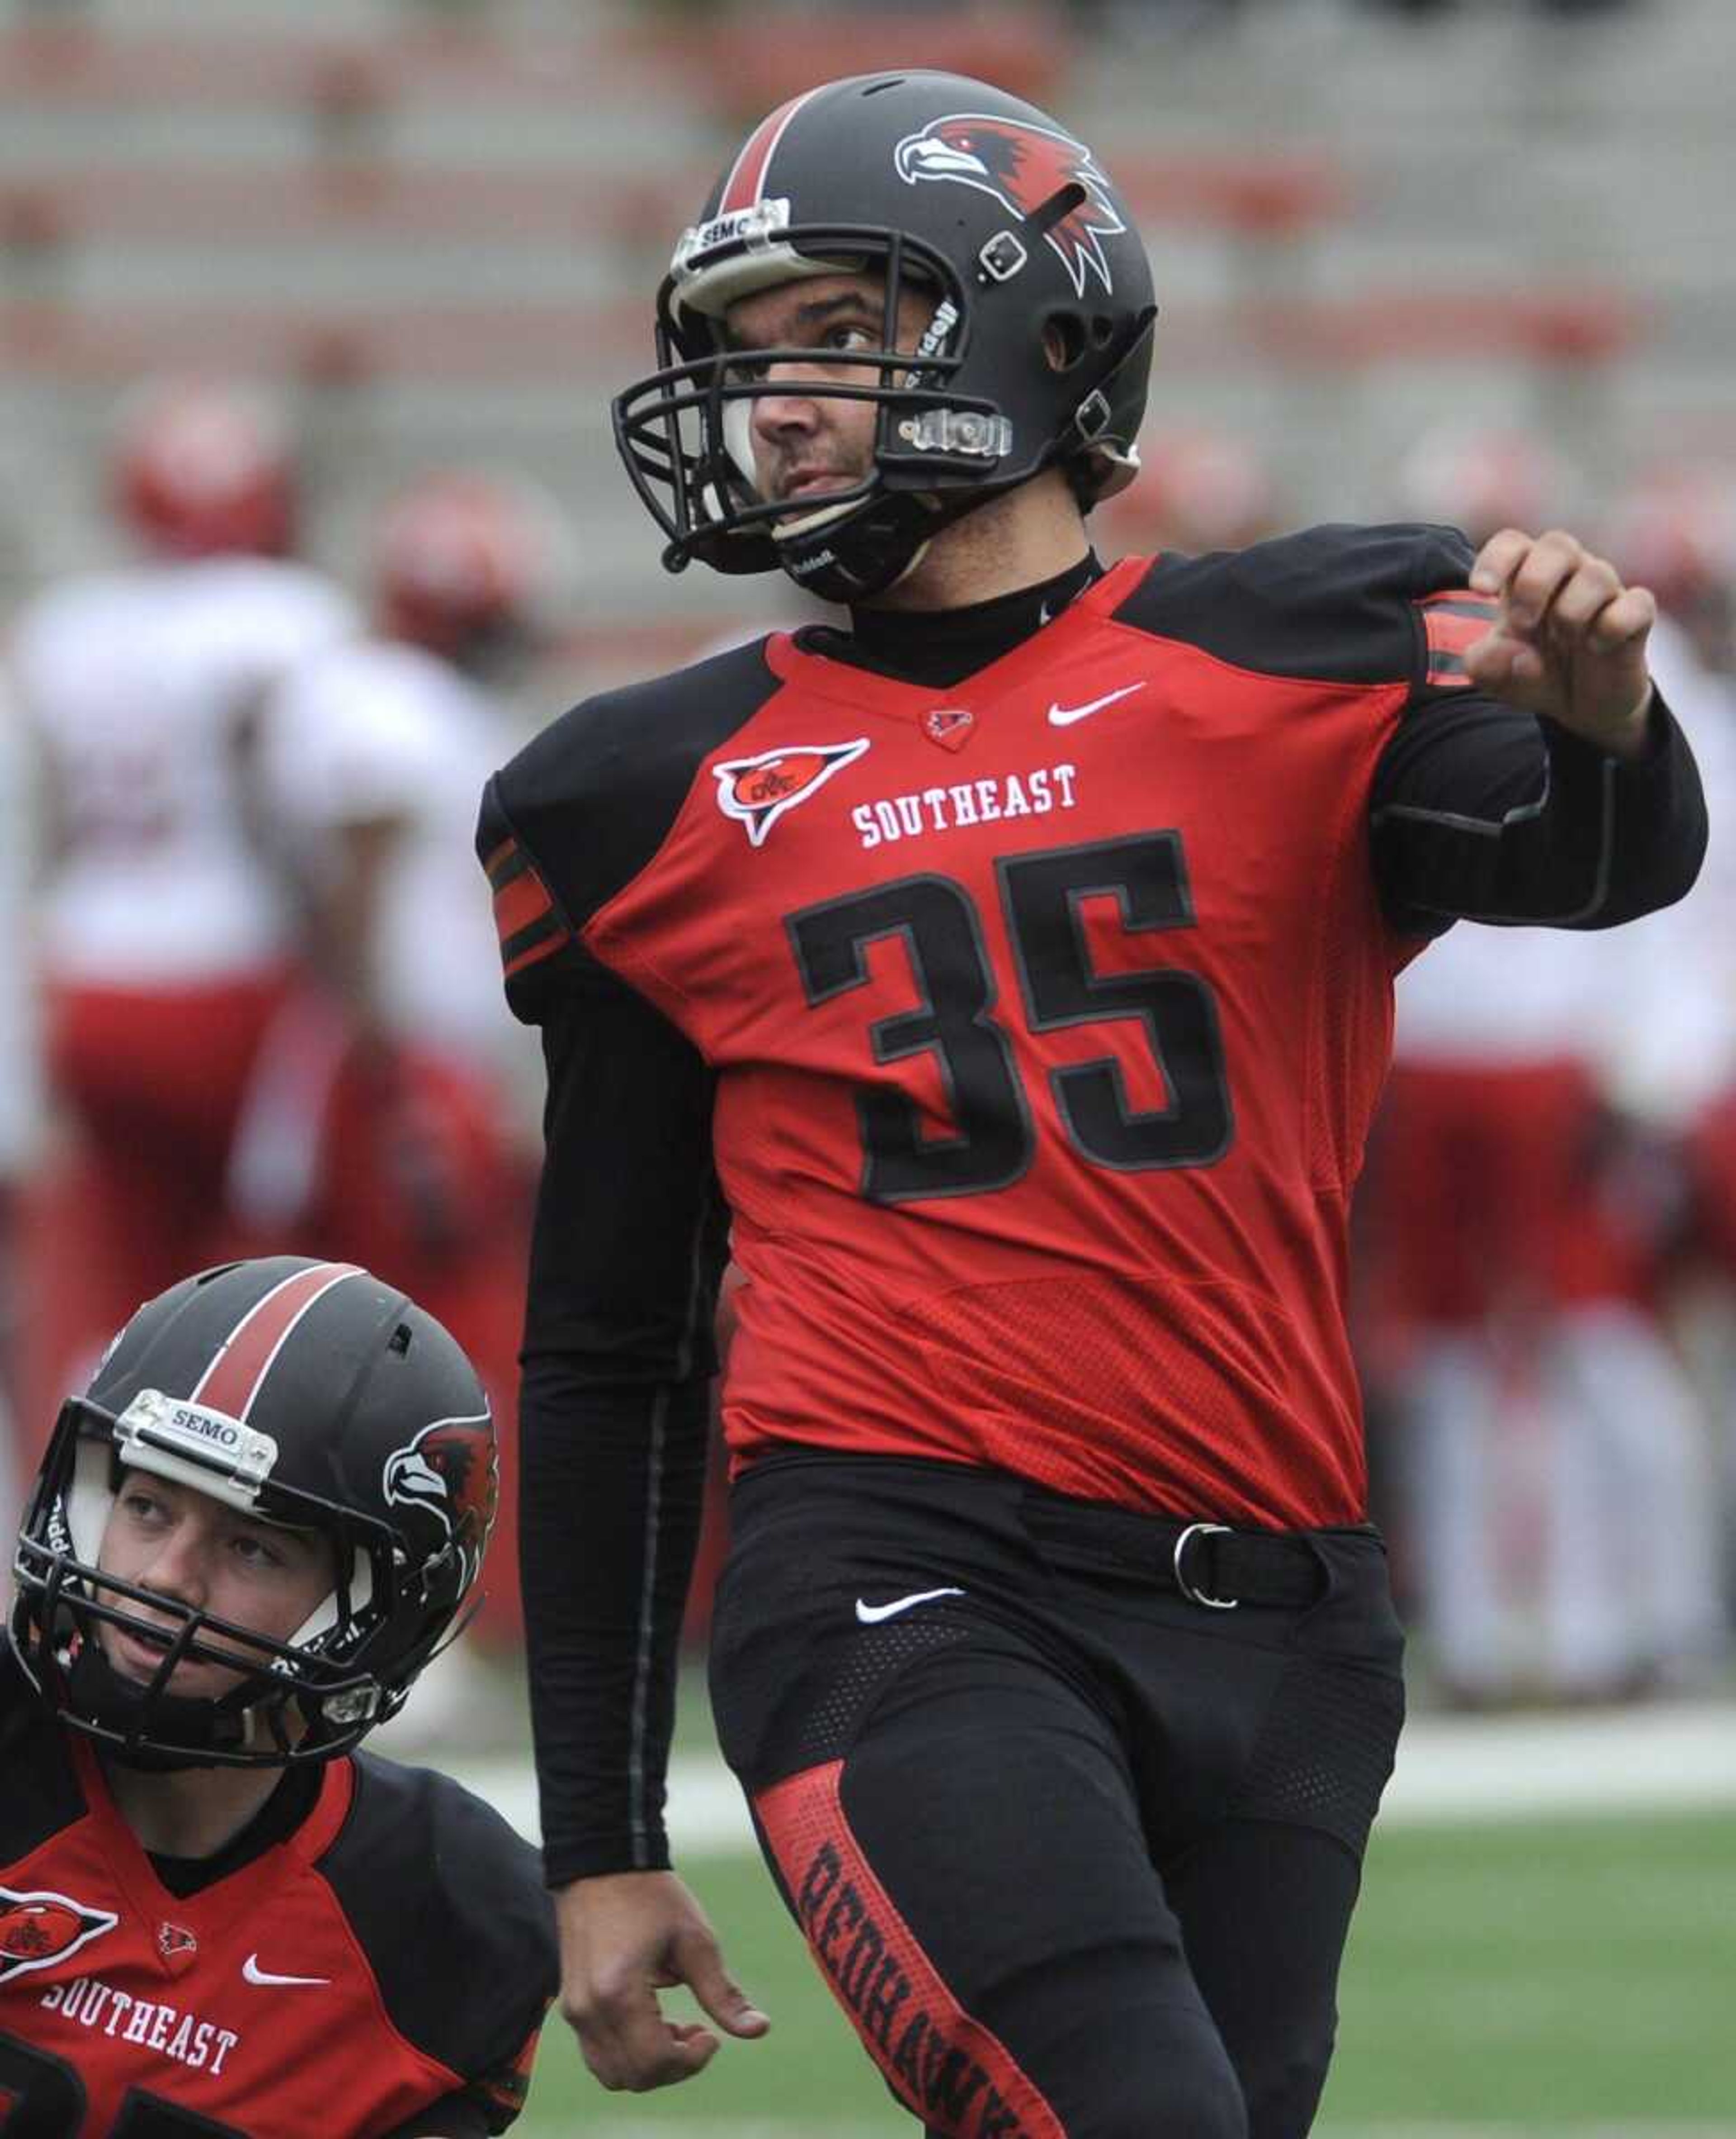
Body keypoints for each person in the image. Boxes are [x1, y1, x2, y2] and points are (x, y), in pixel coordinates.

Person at [477, 69, 1707, 2139]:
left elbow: (1599, 868)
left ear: (1035, 335)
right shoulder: (634, 797)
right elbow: (610, 1345)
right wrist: (596, 1833)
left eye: (836, 334)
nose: (769, 401)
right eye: (741, 351)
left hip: (1284, 1612)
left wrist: (1602, 732)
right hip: (891, 1572)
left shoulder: (1296, 649)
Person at [0, 1254, 558, 2135]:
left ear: (377, 1614)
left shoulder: (447, 1915)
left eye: (252, 1547)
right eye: (147, 1505)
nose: (165, 1577)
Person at [7, 376, 361, 1437]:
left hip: (90, 965)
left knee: (108, 1261)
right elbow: (299, 813)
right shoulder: (293, 616)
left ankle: (81, 1501)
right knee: (250, 1267)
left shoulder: (69, 624)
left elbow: (66, 815)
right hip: (231, 968)